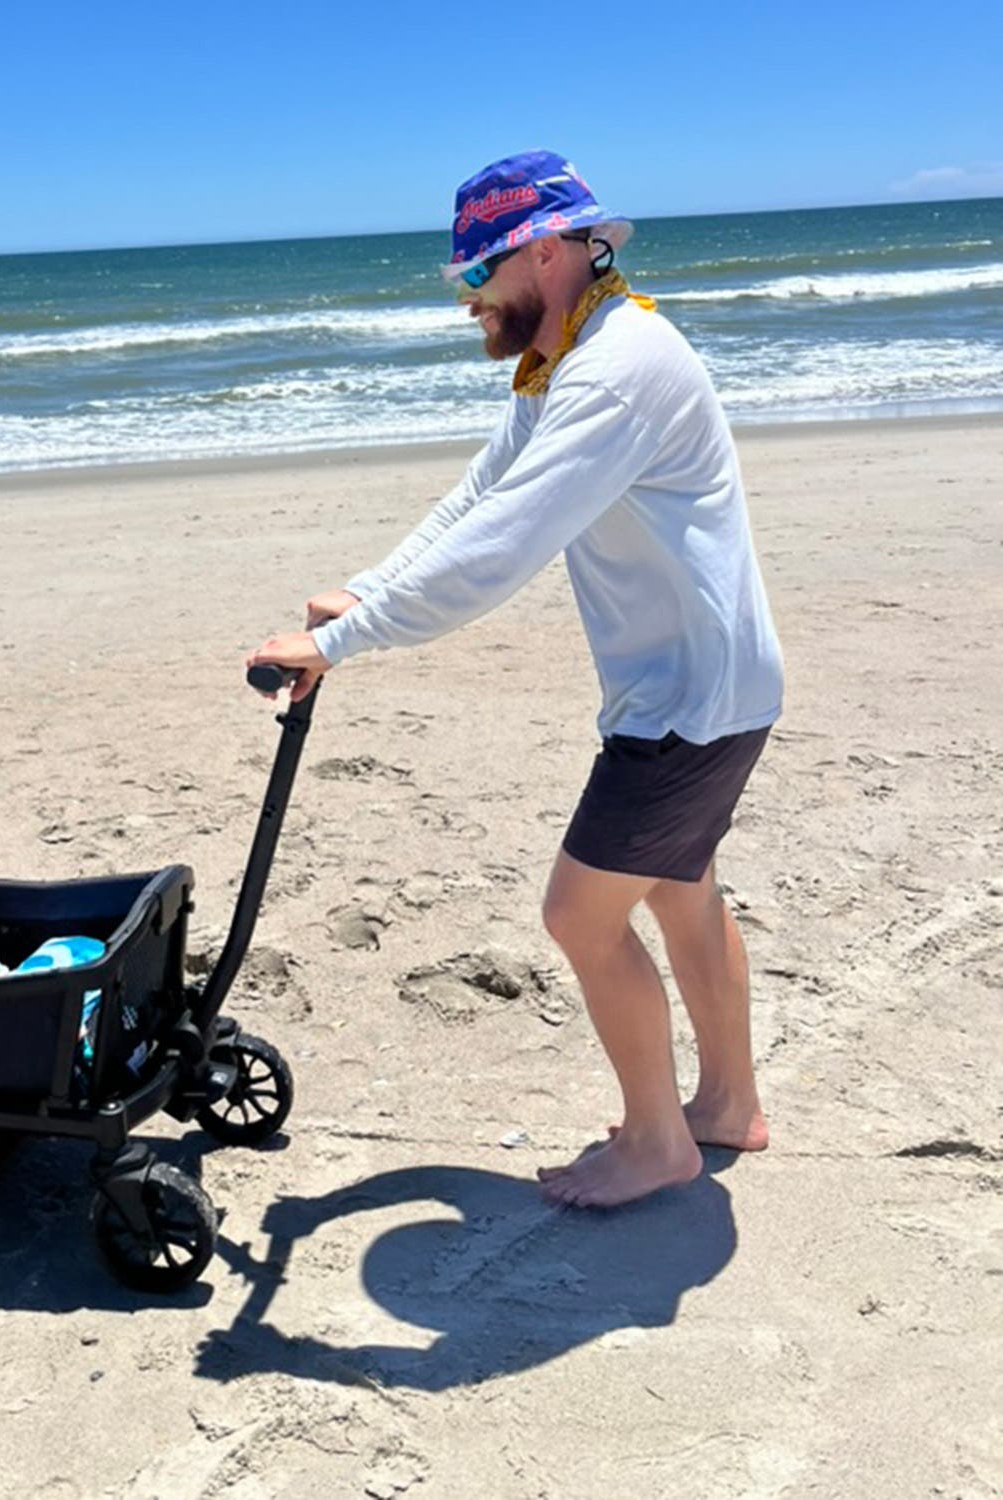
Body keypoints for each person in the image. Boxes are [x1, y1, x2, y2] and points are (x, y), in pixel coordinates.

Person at [248, 149, 784, 1208]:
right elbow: (476, 504)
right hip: (711, 689)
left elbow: (504, 551)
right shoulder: (570, 357)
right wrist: (362, 595)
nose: (468, 301)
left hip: (685, 706)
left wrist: (348, 644)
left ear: (543, 252)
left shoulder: (616, 370)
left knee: (581, 918)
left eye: (475, 277)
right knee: (682, 889)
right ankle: (724, 1107)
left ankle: (656, 1142)